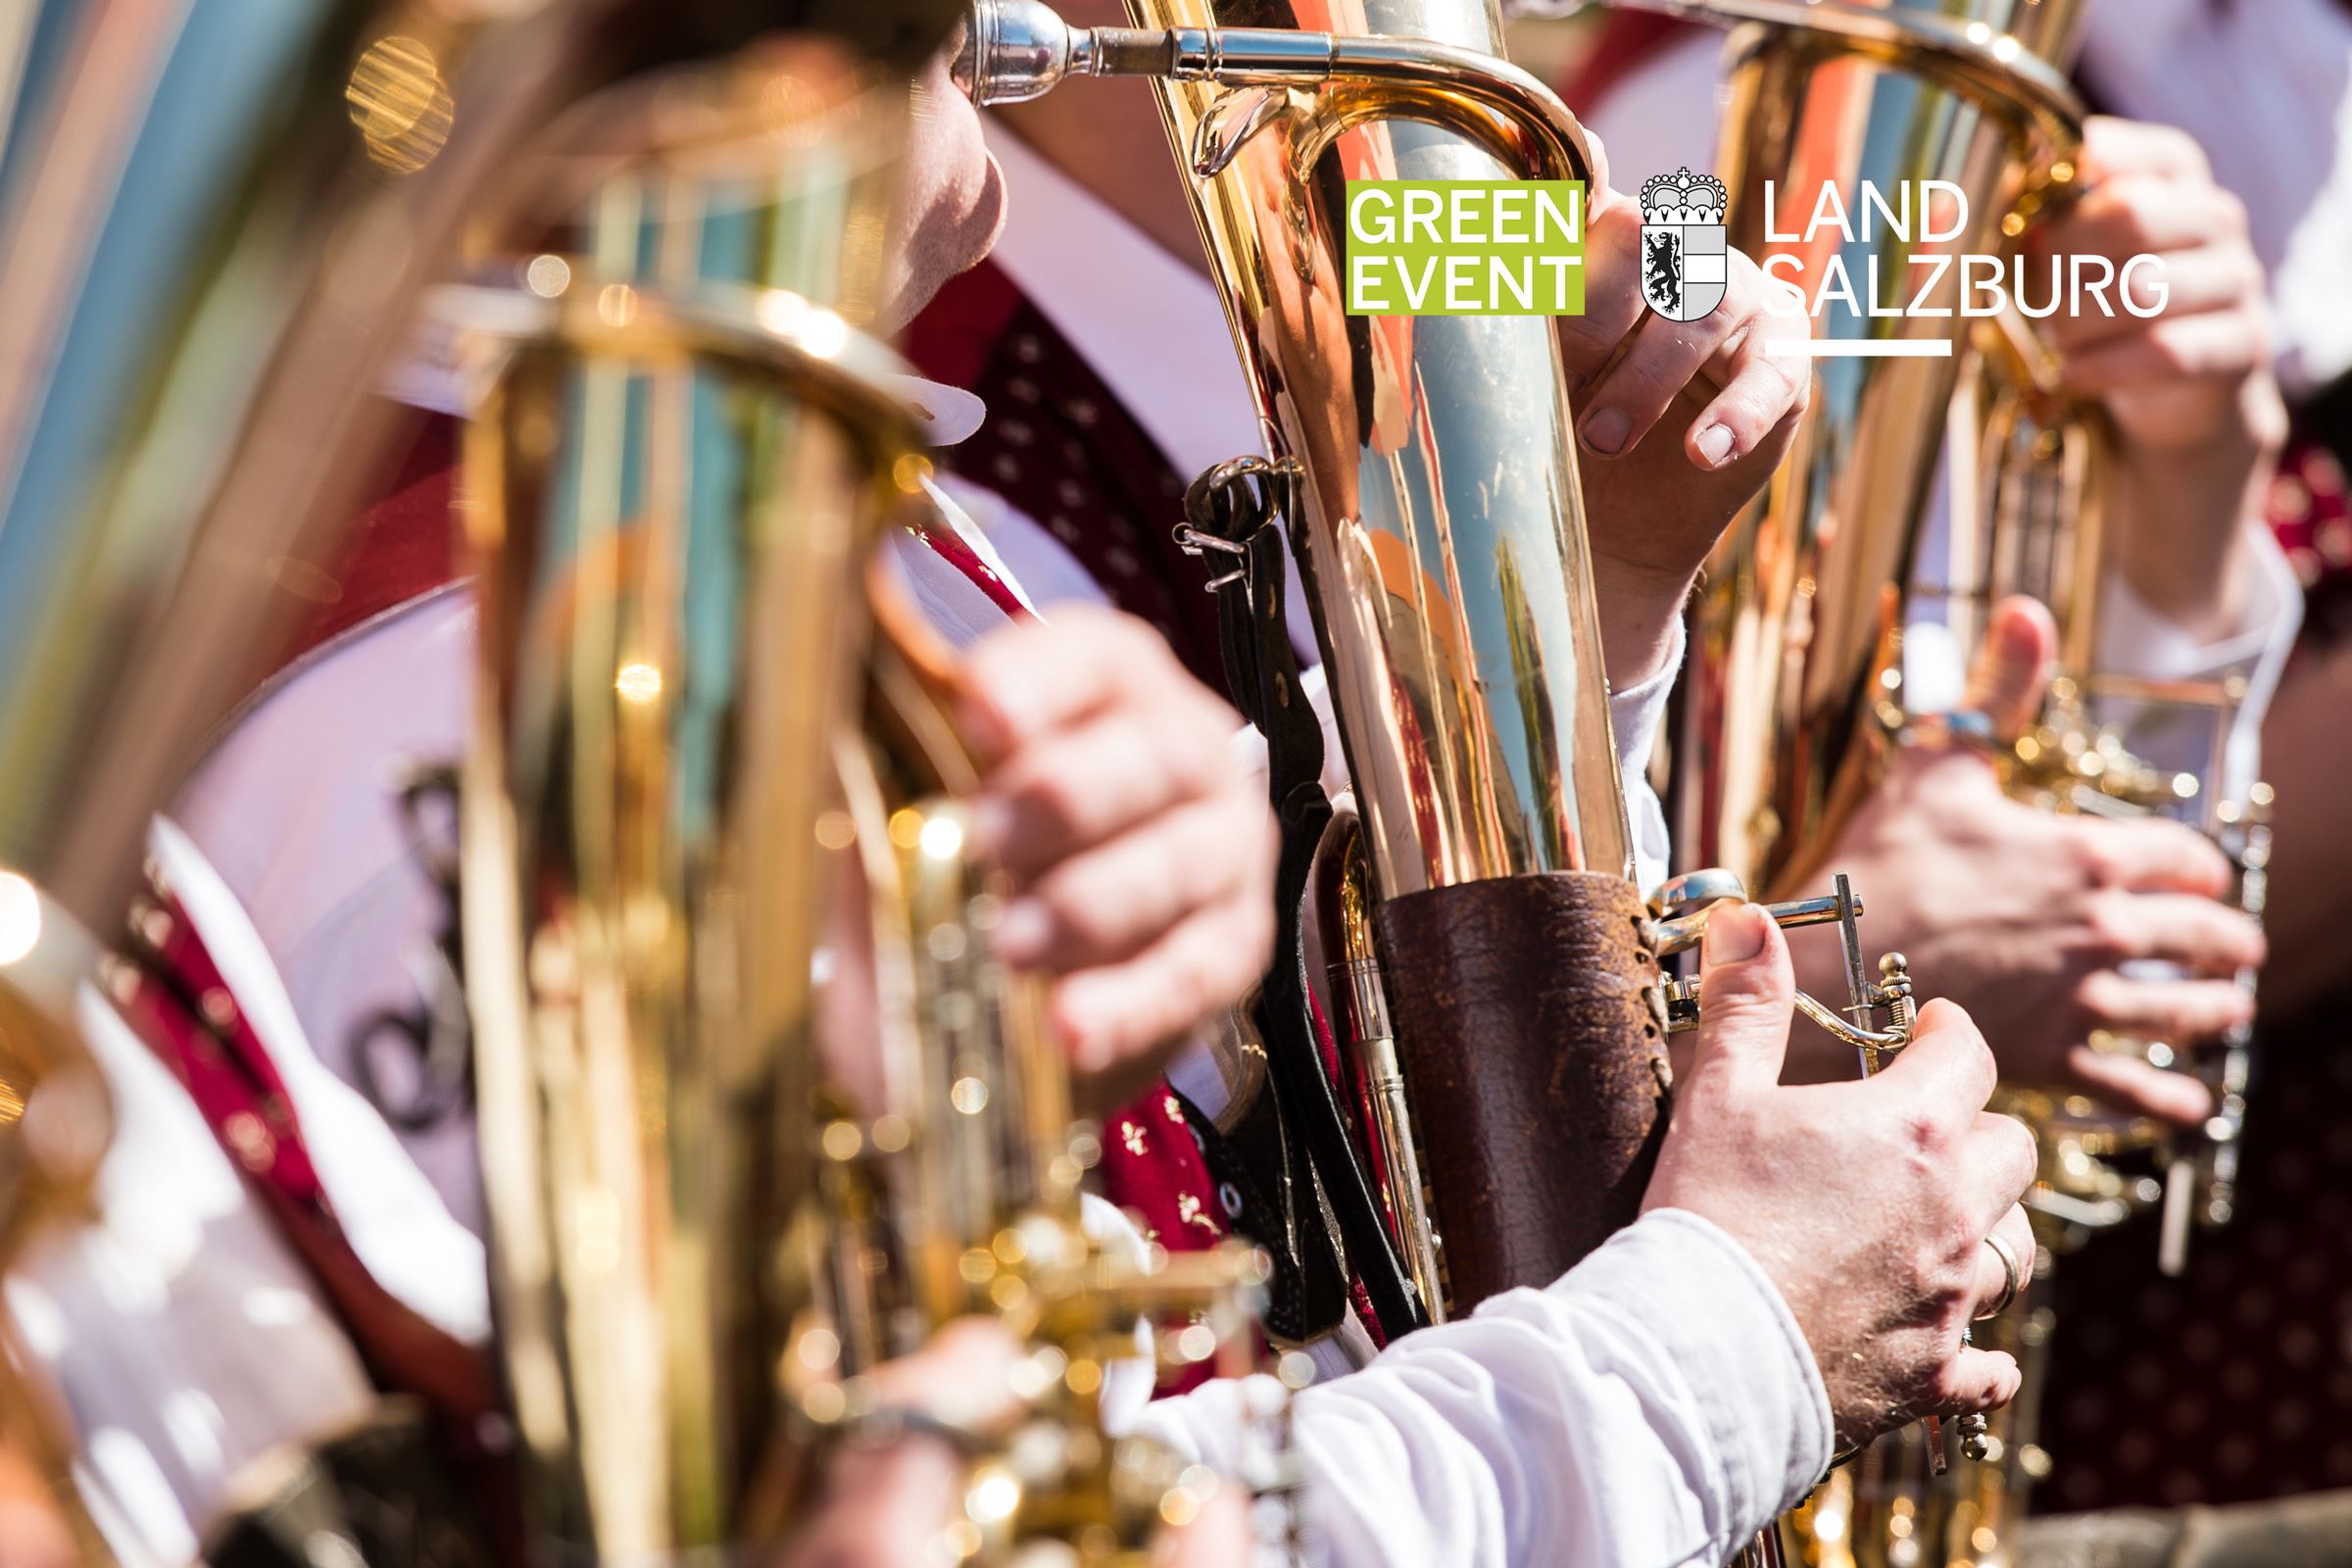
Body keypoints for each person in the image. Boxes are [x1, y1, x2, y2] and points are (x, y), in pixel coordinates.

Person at [3, 23, 2035, 1568]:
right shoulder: (1023, 272)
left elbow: (1666, 248)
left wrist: (1588, 585)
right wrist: (1718, 1347)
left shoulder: (1278, 227)